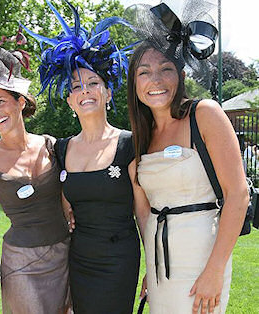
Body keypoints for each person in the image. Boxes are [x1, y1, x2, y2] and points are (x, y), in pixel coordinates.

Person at [22, 1, 149, 313]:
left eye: (94, 83)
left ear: (108, 92)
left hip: (119, 259)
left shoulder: (130, 144)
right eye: (77, 86)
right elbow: (65, 209)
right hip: (78, 259)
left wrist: (154, 267)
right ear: (69, 101)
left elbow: (144, 213)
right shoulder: (62, 149)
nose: (86, 90)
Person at [126, 2, 249, 314]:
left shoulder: (204, 114)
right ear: (134, 83)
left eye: (166, 69)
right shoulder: (143, 134)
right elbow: (144, 212)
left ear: (180, 74)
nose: (156, 80)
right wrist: (150, 267)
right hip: (159, 265)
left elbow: (238, 194)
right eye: (144, 72)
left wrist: (214, 270)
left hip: (202, 260)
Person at [0, 33, 70, 314]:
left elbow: (67, 198)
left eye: (0, 102)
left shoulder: (52, 145)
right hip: (21, 263)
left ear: (20, 102)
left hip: (65, 256)